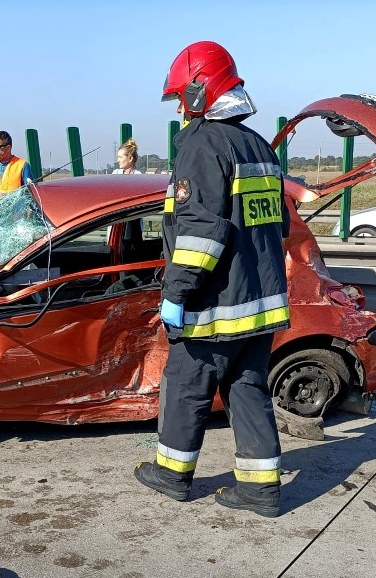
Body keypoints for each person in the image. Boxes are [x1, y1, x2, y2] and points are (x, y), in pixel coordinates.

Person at [133, 41, 290, 517]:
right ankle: (261, 490)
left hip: (215, 303)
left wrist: (177, 294)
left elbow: (201, 231)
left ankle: (170, 474)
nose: (181, 106)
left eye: (183, 96)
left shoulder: (203, 144)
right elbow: (274, 224)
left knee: (185, 386)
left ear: (201, 90)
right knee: (247, 389)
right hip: (261, 301)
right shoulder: (258, 144)